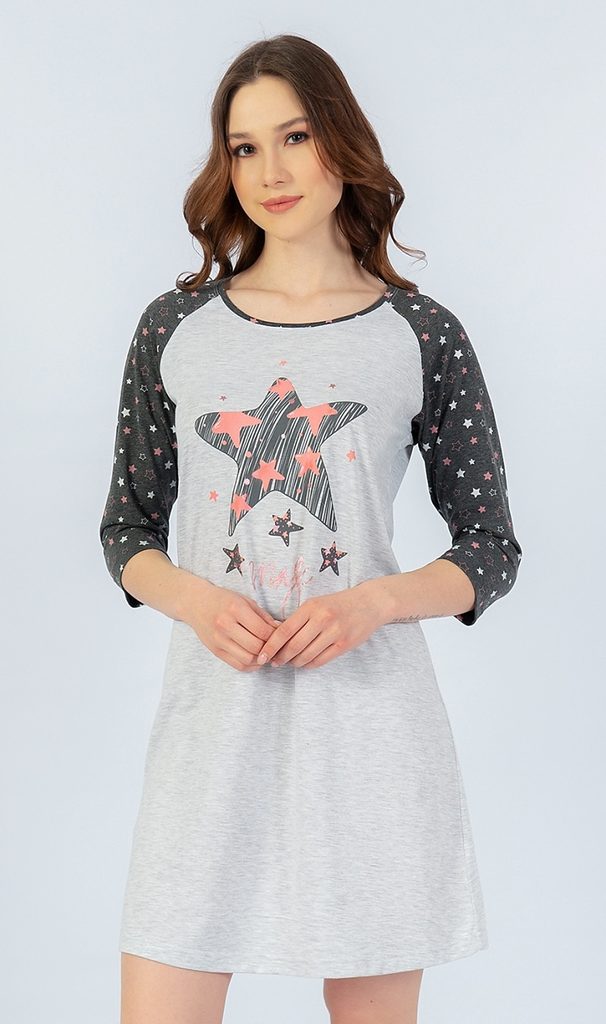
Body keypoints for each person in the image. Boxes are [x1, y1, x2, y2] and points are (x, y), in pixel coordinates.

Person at [100, 33, 523, 1024]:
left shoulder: (422, 334)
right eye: (244, 148)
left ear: (340, 138)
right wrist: (196, 600)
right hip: (210, 740)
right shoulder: (174, 330)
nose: (271, 172)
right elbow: (127, 528)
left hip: (371, 741)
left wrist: (374, 602)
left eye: (294, 137)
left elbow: (490, 548)